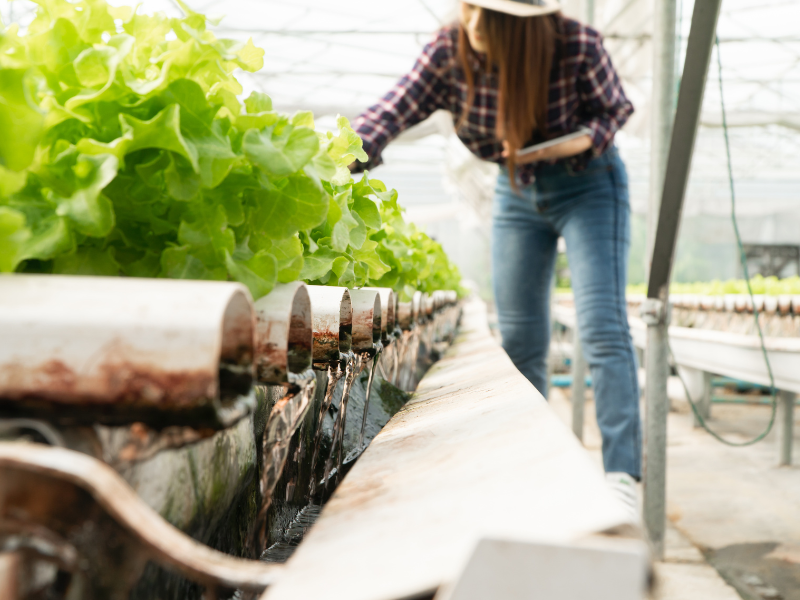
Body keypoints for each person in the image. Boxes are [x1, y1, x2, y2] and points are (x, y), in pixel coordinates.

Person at [351, 0, 641, 516]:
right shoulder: (450, 50)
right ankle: (527, 468)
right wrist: (339, 155)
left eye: (492, 13)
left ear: (527, 25)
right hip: (515, 191)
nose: (475, 22)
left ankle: (622, 478)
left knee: (601, 326)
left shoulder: (576, 45)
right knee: (521, 340)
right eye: (470, 7)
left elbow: (614, 112)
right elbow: (390, 111)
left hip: (589, 186)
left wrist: (565, 146)